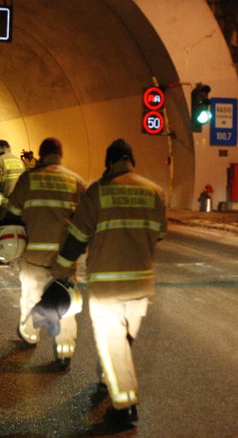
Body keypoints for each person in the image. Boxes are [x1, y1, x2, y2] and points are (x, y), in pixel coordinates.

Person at [51, 138, 166, 428]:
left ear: (110, 162)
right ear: (131, 160)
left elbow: (77, 236)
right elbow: (159, 233)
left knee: (113, 341)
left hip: (108, 285)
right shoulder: (155, 192)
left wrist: (62, 268)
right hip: (140, 284)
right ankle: (107, 377)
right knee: (123, 341)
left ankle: (125, 407)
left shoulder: (98, 192)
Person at [2, 137, 86, 370]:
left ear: (40, 154)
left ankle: (29, 336)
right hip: (64, 260)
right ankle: (64, 353)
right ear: (60, 154)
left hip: (34, 256)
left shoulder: (28, 179)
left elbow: (12, 216)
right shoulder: (76, 181)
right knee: (66, 305)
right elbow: (85, 223)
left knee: (31, 299)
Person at [0, 139, 25, 234]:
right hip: (18, 202)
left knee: (1, 229)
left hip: (5, 202)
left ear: (3, 148)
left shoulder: (0, 160)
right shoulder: (19, 161)